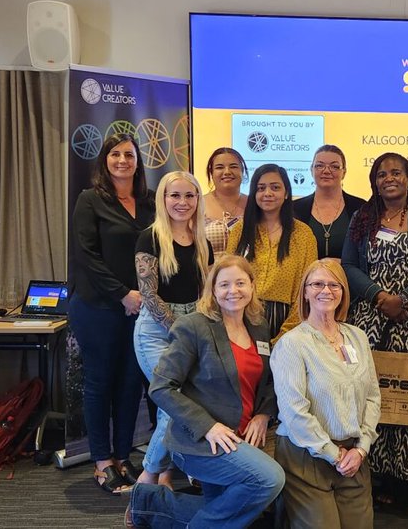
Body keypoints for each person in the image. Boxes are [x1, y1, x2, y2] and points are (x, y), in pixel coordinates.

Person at [127, 255, 285, 529]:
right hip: (200, 442)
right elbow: (162, 386)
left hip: (240, 435)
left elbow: (267, 381)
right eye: (224, 285)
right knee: (270, 479)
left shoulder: (258, 327)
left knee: (230, 512)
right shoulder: (194, 326)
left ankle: (149, 504)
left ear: (252, 286)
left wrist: (263, 413)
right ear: (212, 289)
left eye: (240, 283)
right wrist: (208, 426)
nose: (232, 291)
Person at [342, 152, 408, 515]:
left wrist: (405, 298)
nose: (389, 178)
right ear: (374, 181)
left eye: (396, 172)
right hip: (370, 321)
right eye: (381, 173)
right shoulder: (362, 218)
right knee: (374, 398)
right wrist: (379, 297)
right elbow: (349, 266)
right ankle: (381, 480)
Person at [69, 133, 155, 494]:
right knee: (100, 383)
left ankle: (123, 456)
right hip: (98, 307)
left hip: (141, 311)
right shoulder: (90, 200)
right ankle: (102, 461)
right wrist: (122, 294)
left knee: (131, 384)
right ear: (105, 160)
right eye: (116, 154)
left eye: (130, 155)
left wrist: (141, 298)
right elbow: (87, 256)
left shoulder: (151, 203)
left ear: (138, 162)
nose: (123, 160)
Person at [271, 259, 382, 528]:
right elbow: (294, 411)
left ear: (343, 292)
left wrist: (362, 449)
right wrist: (333, 454)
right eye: (317, 284)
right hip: (306, 456)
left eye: (334, 285)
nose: (326, 291)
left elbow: (372, 397)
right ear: (305, 292)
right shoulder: (292, 344)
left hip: (353, 454)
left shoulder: (357, 337)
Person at [132, 171, 213, 488]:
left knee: (188, 401)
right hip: (155, 331)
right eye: (174, 195)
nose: (182, 202)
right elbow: (149, 295)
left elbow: (208, 293)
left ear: (198, 200)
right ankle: (148, 478)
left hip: (192, 327)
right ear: (162, 199)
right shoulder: (149, 238)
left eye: (189, 196)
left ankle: (161, 475)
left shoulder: (203, 242)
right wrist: (182, 329)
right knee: (172, 400)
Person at [228, 164, 318, 337]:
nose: (267, 193)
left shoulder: (302, 234)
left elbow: (307, 287)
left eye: (275, 187)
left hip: (287, 318)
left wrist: (287, 332)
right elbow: (227, 276)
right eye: (261, 188)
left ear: (286, 193)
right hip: (241, 315)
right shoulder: (240, 231)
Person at [293, 145, 367, 259]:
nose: (326, 171)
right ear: (311, 170)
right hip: (305, 276)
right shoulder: (294, 209)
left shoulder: (361, 207)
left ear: (344, 172)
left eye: (334, 166)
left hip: (349, 276)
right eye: (319, 166)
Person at [202, 147, 249, 258]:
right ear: (211, 173)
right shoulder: (197, 204)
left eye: (233, 166)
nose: (227, 172)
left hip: (250, 274)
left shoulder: (256, 205)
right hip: (207, 274)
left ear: (243, 172)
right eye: (219, 167)